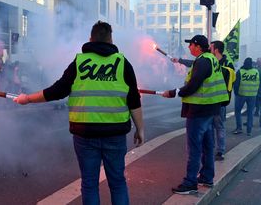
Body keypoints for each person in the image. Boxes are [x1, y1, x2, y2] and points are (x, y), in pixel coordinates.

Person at [13, 21, 144, 205]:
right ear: (111, 39)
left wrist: (27, 99)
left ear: (90, 39)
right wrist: (140, 129)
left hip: (85, 133)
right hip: (114, 134)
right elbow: (134, 100)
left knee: (89, 184)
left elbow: (57, 91)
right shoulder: (122, 63)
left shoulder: (80, 62)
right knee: (117, 183)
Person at [162, 35, 228, 195]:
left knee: (195, 148)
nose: (189, 47)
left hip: (199, 110)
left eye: (191, 45)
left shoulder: (203, 61)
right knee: (207, 145)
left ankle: (190, 182)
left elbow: (193, 85)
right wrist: (180, 61)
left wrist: (173, 93)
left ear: (197, 46)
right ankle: (206, 177)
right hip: (209, 109)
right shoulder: (208, 59)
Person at [210, 40, 235, 161]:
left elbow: (229, 80)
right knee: (210, 127)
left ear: (216, 49)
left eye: (211, 48)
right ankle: (210, 149)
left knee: (219, 127)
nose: (209, 50)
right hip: (210, 100)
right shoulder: (211, 60)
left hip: (220, 101)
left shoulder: (228, 64)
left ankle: (220, 151)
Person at [233, 57, 260, 136]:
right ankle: (249, 130)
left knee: (238, 111)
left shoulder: (240, 72)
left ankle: (239, 128)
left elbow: (236, 84)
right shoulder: (256, 71)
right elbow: (258, 82)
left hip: (241, 94)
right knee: (250, 113)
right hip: (252, 95)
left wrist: (236, 93)